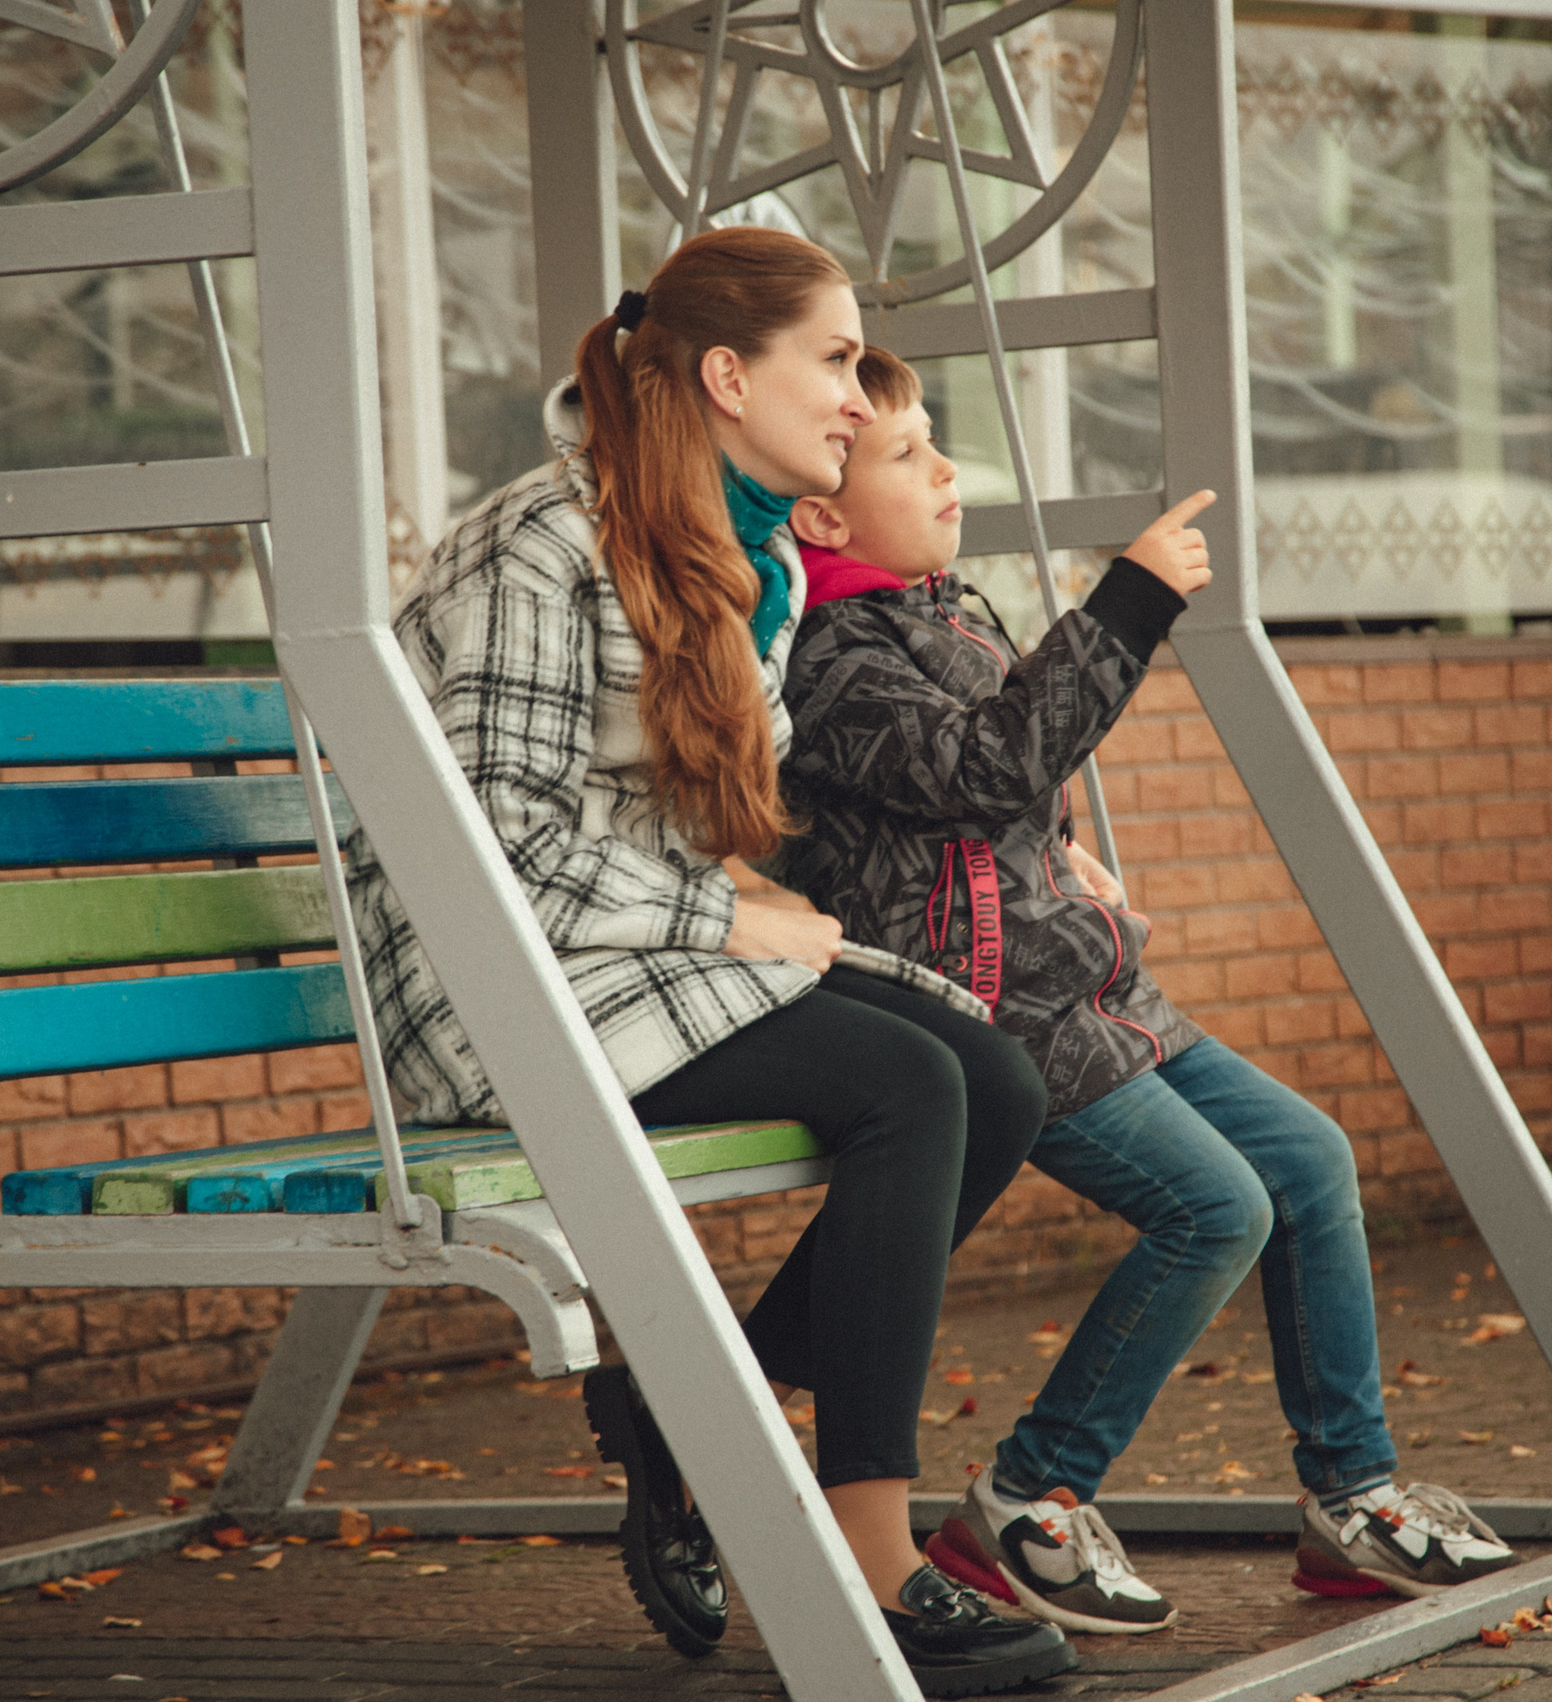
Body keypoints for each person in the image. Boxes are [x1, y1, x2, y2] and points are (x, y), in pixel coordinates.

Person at [342, 229, 1076, 1697]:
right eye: (833, 360)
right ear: (728, 375)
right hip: (484, 985)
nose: (862, 402)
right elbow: (481, 849)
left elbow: (690, 813)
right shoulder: (542, 546)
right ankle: (867, 1558)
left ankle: (686, 1424)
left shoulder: (753, 557)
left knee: (992, 1077)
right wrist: (736, 921)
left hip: (617, 951)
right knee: (907, 1091)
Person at [777, 347, 1522, 1635]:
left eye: (937, 445)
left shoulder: (950, 608)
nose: (948, 471)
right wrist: (1124, 601)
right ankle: (1025, 1499)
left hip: (1091, 986)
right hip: (991, 1014)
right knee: (1213, 1209)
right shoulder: (832, 656)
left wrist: (1057, 849)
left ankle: (1351, 1497)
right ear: (822, 514)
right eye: (908, 455)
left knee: (1312, 1161)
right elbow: (983, 762)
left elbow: (1001, 784)